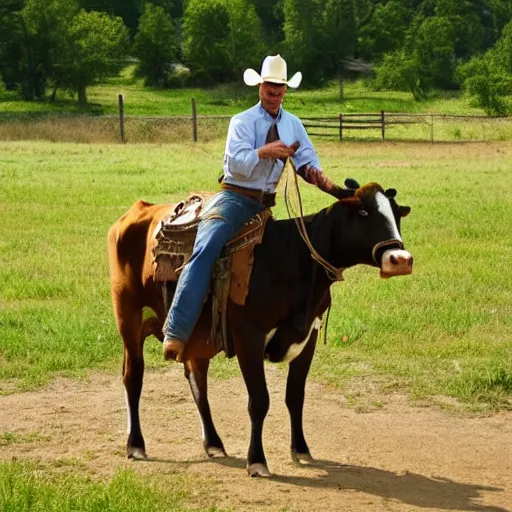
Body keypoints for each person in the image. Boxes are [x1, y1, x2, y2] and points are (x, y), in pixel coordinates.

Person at [163, 54, 346, 362]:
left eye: (279, 88)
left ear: (286, 90)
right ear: (260, 87)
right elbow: (234, 164)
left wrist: (320, 178)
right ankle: (177, 331)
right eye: (269, 87)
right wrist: (264, 152)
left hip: (265, 206)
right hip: (234, 199)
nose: (274, 93)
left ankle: (266, 325)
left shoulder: (293, 125)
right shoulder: (242, 121)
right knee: (207, 248)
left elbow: (307, 161)